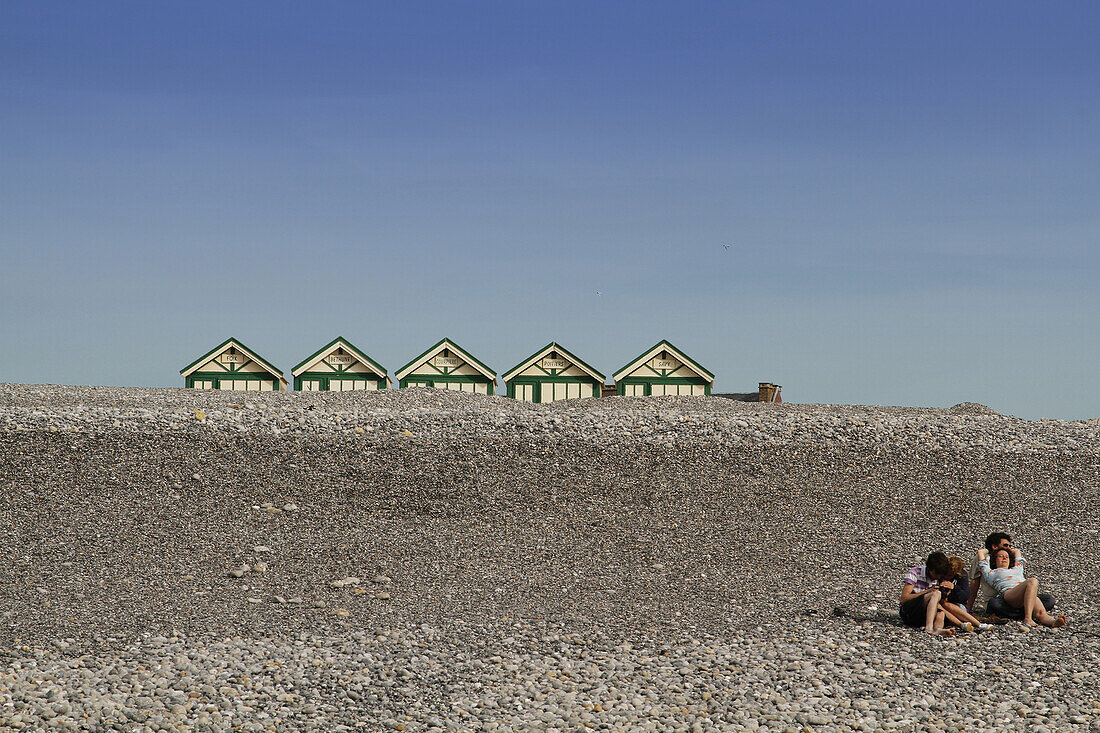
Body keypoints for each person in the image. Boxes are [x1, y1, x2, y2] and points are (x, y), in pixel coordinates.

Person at [967, 532, 1055, 620]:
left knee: (1049, 600)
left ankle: (1026, 612)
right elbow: (975, 582)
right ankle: (1029, 613)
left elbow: (1018, 555)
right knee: (995, 604)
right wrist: (968, 609)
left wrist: (1008, 552)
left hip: (1019, 595)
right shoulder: (984, 561)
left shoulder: (1010, 557)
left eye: (1009, 546)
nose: (1009, 549)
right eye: (1005, 545)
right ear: (994, 546)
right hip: (1001, 599)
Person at [978, 548, 1067, 628]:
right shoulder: (991, 573)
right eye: (1000, 556)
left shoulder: (1017, 569)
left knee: (1041, 612)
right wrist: (991, 551)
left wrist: (1008, 550)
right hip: (1010, 593)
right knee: (1032, 581)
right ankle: (1028, 618)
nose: (1004, 558)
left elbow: (1017, 552)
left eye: (1007, 557)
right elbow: (981, 555)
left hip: (1026, 592)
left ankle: (1053, 622)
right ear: (995, 560)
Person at [899, 551, 956, 636]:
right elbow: (904, 599)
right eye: (936, 574)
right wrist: (928, 591)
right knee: (935, 594)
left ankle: (938, 629)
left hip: (924, 614)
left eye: (940, 575)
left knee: (941, 613)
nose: (937, 577)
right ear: (929, 569)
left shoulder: (939, 578)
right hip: (909, 612)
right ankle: (929, 628)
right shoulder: (915, 573)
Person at [936, 556, 991, 632]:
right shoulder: (938, 575)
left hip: (957, 606)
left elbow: (965, 596)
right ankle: (974, 624)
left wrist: (954, 588)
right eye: (945, 574)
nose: (946, 577)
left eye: (949, 575)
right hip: (941, 605)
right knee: (943, 605)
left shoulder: (962, 576)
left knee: (947, 605)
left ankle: (976, 625)